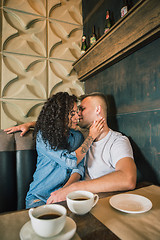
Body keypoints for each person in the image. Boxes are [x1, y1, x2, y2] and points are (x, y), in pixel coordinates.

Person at [4, 92, 137, 205]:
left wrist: (68, 190)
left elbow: (127, 178)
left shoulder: (111, 141)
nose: (78, 115)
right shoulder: (83, 138)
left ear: (97, 110)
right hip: (42, 198)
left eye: (81, 109)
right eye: (74, 112)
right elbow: (70, 159)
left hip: (73, 199)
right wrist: (33, 124)